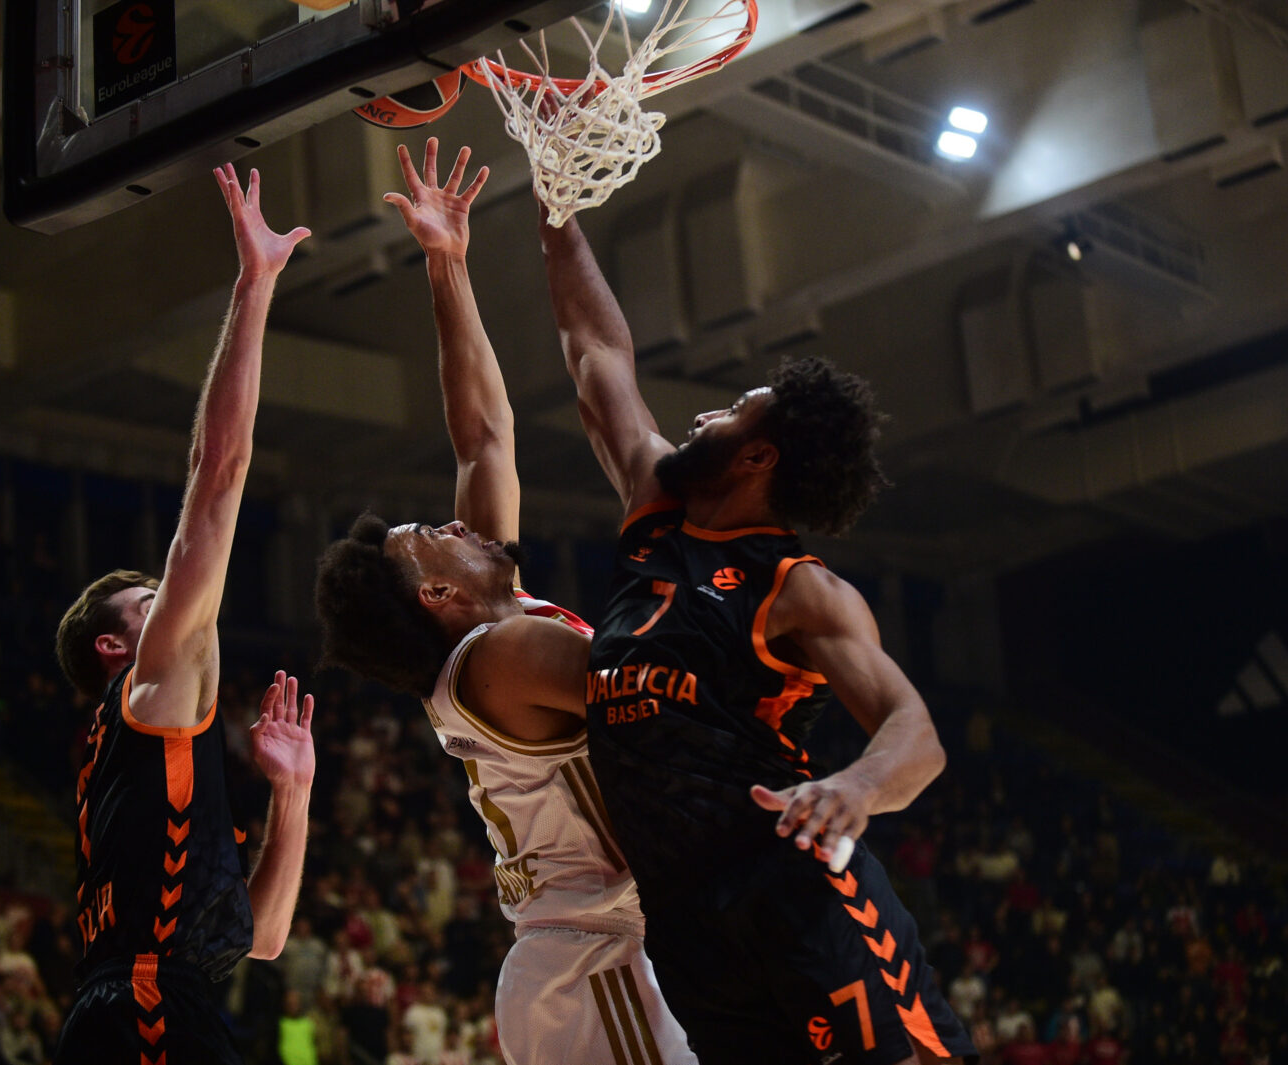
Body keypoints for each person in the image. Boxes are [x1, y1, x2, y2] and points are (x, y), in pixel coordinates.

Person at [538, 205, 976, 1065]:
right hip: (687, 922)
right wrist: (559, 217)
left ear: (759, 458)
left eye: (736, 408)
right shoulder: (654, 519)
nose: (707, 413)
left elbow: (916, 732)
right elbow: (598, 358)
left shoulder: (800, 590)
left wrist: (857, 786)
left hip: (787, 889)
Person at [315, 138, 694, 1065]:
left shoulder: (488, 631)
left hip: (601, 952)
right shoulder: (499, 655)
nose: (461, 523)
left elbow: (483, 435)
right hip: (598, 957)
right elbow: (664, 677)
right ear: (438, 592)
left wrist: (448, 263)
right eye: (435, 535)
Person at [51, 163, 316, 1065]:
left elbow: (267, 936)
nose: (176, 599)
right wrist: (254, 285)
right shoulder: (149, 690)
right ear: (115, 644)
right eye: (149, 598)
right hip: (147, 1007)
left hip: (153, 1002)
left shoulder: (143, 745)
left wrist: (293, 792)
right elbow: (217, 476)